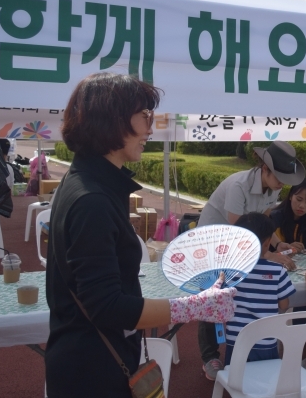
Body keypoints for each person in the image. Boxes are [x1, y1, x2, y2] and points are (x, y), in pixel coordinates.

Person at [44, 72, 236, 397]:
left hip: (95, 359)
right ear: (113, 119)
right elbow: (106, 306)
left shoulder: (93, 182)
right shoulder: (92, 199)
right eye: (145, 116)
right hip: (92, 371)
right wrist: (192, 307)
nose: (150, 128)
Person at [196, 140, 305, 380]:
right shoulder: (238, 186)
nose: (282, 184)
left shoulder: (274, 186)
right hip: (214, 242)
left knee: (239, 297)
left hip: (242, 244)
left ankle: (239, 345)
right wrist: (268, 255)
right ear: (264, 169)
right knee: (212, 295)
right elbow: (240, 232)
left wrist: (278, 244)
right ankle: (209, 356)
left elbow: (263, 221)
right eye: (279, 178)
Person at [224, 212, 295, 365]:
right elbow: (284, 305)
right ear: (267, 243)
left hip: (236, 339)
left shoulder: (229, 271)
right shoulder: (278, 271)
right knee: (266, 376)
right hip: (265, 339)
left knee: (235, 376)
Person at [270, 177, 306, 251]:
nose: (302, 206)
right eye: (299, 199)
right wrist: (288, 249)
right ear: (291, 196)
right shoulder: (274, 219)